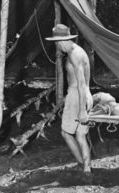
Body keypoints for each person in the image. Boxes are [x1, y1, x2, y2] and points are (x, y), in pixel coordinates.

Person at [45, 24, 93, 174]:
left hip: (78, 95)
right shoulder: (79, 51)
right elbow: (84, 83)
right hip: (84, 94)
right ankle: (87, 170)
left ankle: (81, 165)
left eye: (56, 42)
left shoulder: (73, 54)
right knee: (80, 135)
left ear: (61, 41)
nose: (56, 45)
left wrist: (82, 110)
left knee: (66, 133)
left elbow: (80, 83)